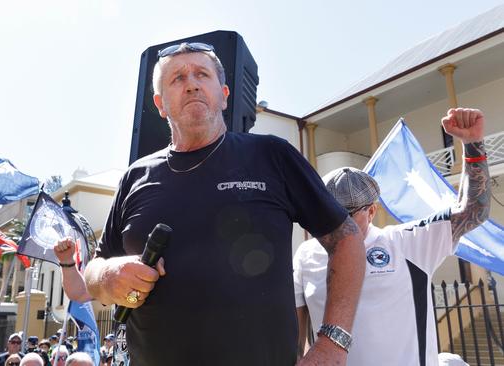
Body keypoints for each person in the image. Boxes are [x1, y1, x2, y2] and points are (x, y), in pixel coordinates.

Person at [82, 42, 366, 366]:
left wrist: (333, 343)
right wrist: (107, 276)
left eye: (202, 74)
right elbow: (93, 268)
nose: (191, 83)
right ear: (160, 104)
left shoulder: (272, 156)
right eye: (177, 78)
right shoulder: (136, 176)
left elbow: (347, 239)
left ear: (224, 93)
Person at [293, 108, 490, 366]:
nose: (333, 221)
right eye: (326, 211)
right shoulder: (306, 254)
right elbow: (295, 336)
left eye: (347, 213)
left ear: (372, 211)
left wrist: (472, 143)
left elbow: (474, 209)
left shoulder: (408, 242)